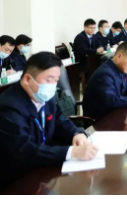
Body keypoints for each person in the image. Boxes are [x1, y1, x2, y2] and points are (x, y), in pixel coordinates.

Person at [0, 52, 98, 187]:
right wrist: (72, 152)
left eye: (56, 80)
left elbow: (61, 120)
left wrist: (77, 134)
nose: (52, 85)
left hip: (43, 172)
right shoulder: (8, 107)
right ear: (27, 79)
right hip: (16, 180)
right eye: (48, 80)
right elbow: (24, 151)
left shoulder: (45, 98)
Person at [83, 42, 127, 120]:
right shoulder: (104, 74)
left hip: (117, 115)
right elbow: (111, 101)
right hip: (101, 121)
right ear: (119, 56)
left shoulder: (122, 69)